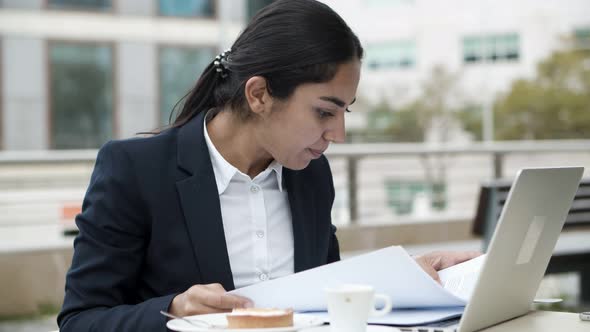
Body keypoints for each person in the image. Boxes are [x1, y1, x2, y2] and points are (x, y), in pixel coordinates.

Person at [57, 1, 479, 331]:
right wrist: (172, 311)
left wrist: (410, 279)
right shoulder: (136, 170)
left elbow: (320, 296)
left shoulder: (310, 175)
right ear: (258, 94)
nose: (339, 133)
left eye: (345, 111)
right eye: (324, 112)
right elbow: (81, 320)